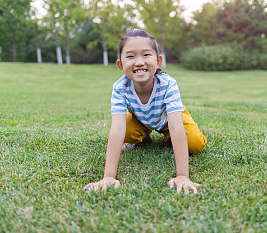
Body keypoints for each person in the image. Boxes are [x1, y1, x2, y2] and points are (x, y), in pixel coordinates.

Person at [84, 29, 207, 195]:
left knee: (195, 144)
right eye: (130, 56)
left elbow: (177, 127)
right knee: (125, 131)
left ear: (158, 61)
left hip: (170, 119)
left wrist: (183, 176)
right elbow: (117, 129)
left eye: (146, 55)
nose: (139, 62)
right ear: (120, 64)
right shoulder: (120, 88)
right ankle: (144, 137)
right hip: (141, 120)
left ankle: (167, 137)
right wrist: (108, 177)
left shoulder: (168, 84)